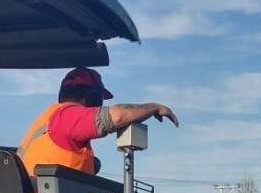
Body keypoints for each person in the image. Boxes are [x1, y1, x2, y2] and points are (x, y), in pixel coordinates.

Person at [18, 67, 179, 176]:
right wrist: (154, 107)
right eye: (100, 98)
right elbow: (117, 116)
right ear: (91, 96)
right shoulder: (68, 116)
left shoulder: (49, 118)